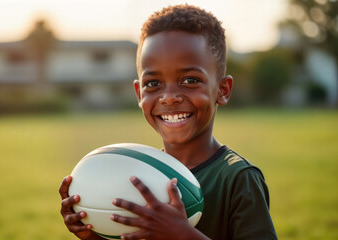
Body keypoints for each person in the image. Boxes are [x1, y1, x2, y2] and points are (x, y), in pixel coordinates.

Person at [59, 4, 277, 240]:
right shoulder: (139, 176)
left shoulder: (238, 178)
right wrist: (94, 232)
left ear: (222, 90)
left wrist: (183, 235)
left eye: (190, 79)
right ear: (139, 95)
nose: (169, 97)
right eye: (153, 83)